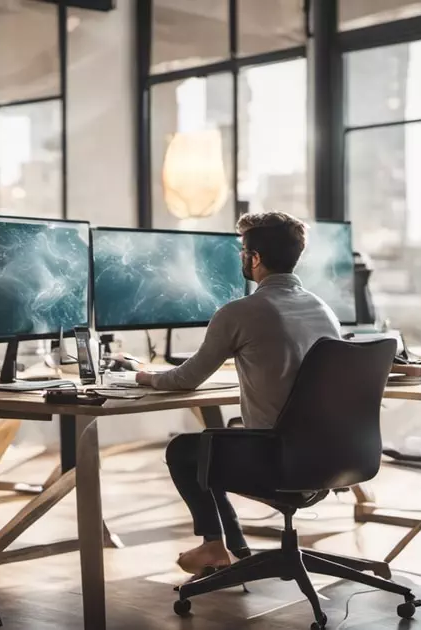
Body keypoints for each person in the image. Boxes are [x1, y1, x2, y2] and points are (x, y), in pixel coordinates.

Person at [134, 211, 343, 575]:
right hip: (330, 459)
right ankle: (229, 546)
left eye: (242, 250)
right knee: (217, 441)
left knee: (185, 450)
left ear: (255, 258)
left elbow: (185, 378)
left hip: (279, 463)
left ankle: (213, 545)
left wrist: (146, 376)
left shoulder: (240, 312)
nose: (241, 257)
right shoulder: (323, 309)